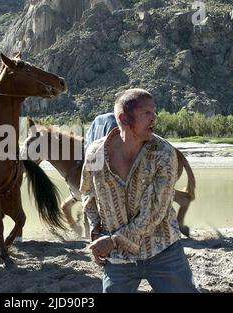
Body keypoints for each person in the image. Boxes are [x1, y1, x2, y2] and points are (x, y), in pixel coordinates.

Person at [80, 88, 198, 293]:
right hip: (118, 258)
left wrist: (113, 241)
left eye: (155, 112)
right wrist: (96, 230)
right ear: (124, 118)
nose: (155, 118)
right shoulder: (94, 154)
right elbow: (88, 194)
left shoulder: (164, 153)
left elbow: (155, 212)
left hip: (163, 251)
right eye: (147, 113)